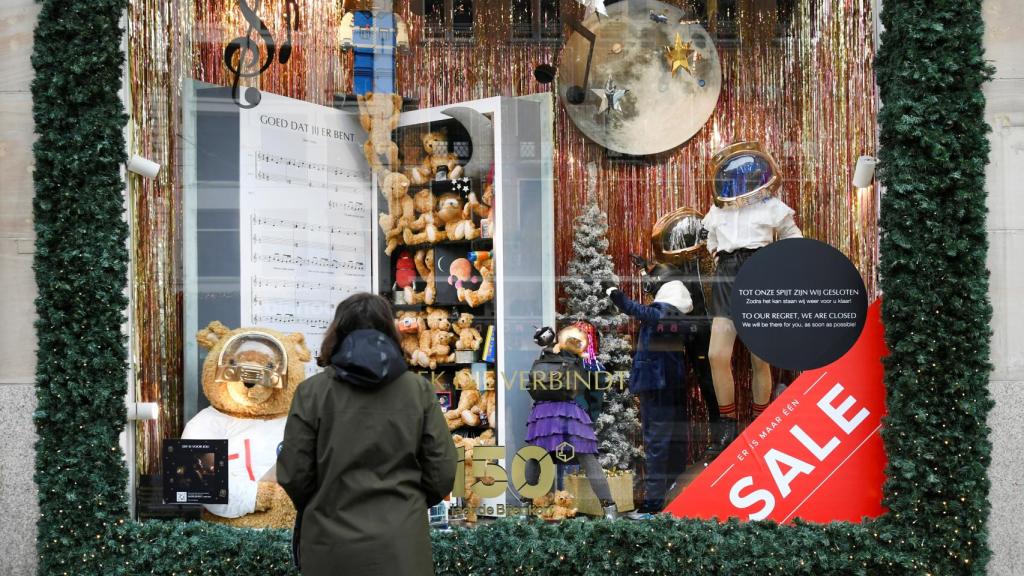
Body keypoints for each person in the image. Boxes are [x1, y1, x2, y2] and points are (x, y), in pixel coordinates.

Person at [278, 293, 457, 576]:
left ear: (336, 333)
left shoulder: (312, 392)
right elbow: (442, 471)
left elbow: (294, 473)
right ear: (390, 331)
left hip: (330, 545)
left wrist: (324, 502)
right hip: (401, 545)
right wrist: (406, 504)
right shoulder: (418, 390)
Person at [701, 142, 802, 458]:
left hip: (759, 272)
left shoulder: (771, 207)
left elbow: (794, 240)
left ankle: (761, 424)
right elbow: (712, 245)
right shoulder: (717, 211)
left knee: (761, 357)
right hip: (727, 274)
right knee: (717, 354)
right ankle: (727, 426)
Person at [606, 265, 693, 517]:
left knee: (656, 442)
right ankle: (672, 496)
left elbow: (638, 310)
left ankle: (653, 504)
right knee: (671, 442)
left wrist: (616, 295)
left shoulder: (663, 313)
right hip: (670, 387)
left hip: (657, 387)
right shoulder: (678, 318)